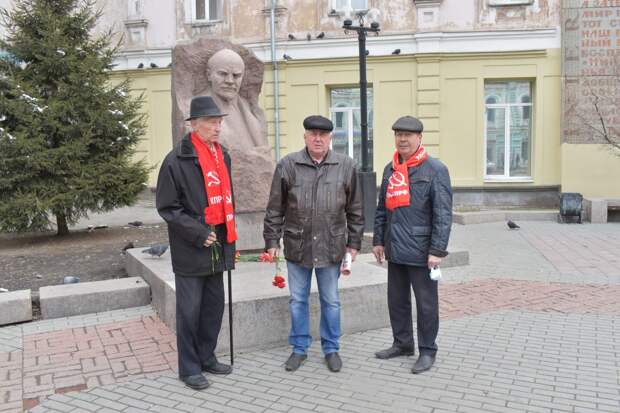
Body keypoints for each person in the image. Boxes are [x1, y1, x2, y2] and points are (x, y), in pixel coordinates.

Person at [263, 115, 363, 373]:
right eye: (313, 134)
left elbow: (355, 210)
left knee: (331, 301)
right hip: (298, 245)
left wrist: (354, 243)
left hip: (331, 246)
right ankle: (299, 349)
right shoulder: (288, 164)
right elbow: (275, 208)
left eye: (323, 134)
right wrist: (272, 240)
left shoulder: (346, 165)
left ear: (331, 138)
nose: (318, 138)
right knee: (298, 300)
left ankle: (331, 349)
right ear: (305, 136)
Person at [156, 96, 237, 390]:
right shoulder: (176, 159)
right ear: (195, 125)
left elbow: (228, 200)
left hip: (218, 245)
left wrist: (228, 237)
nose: (218, 128)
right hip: (192, 248)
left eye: (219, 122)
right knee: (189, 311)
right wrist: (198, 232)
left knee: (213, 308)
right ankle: (189, 368)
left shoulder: (222, 155)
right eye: (212, 123)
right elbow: (168, 208)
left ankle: (207, 357)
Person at [372, 116, 452, 374]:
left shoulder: (435, 170)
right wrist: (378, 240)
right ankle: (403, 343)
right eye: (398, 134)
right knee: (397, 301)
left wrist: (437, 250)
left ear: (419, 138)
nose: (402, 139)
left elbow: (442, 214)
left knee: (426, 304)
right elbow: (382, 208)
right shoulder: (390, 169)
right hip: (395, 248)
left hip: (422, 251)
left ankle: (427, 350)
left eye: (408, 135)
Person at [205, 48, 267, 150]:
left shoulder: (247, 108)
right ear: (209, 75)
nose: (230, 81)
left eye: (236, 75)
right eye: (223, 74)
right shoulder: (196, 109)